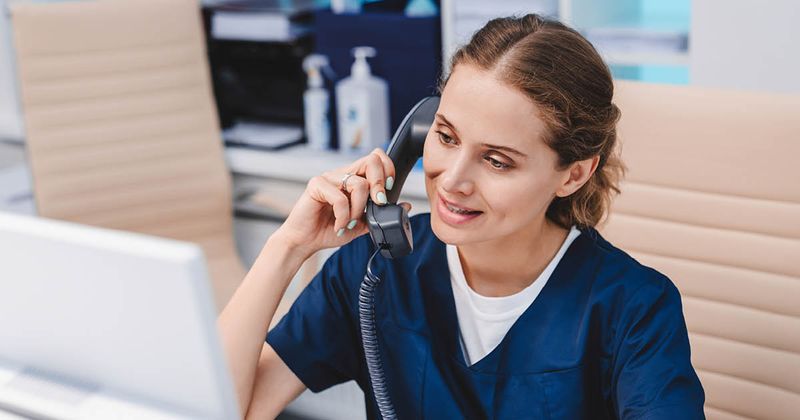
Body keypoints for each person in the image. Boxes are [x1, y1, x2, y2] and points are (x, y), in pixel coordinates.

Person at [218, 14, 705, 419]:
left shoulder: (634, 308)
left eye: (497, 161)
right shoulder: (375, 267)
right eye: (446, 137)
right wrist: (288, 247)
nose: (451, 180)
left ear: (573, 175)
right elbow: (223, 409)